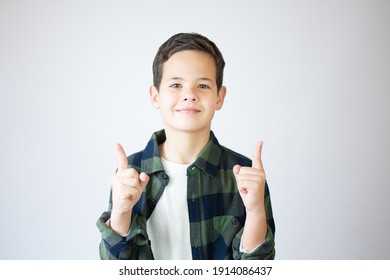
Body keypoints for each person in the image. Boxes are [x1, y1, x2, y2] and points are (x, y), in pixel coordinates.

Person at [96, 32, 275, 260]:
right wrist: (121, 211)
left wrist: (255, 211)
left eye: (202, 85)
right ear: (155, 96)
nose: (189, 95)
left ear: (219, 97)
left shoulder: (244, 173)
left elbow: (259, 269)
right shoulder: (130, 172)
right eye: (176, 85)